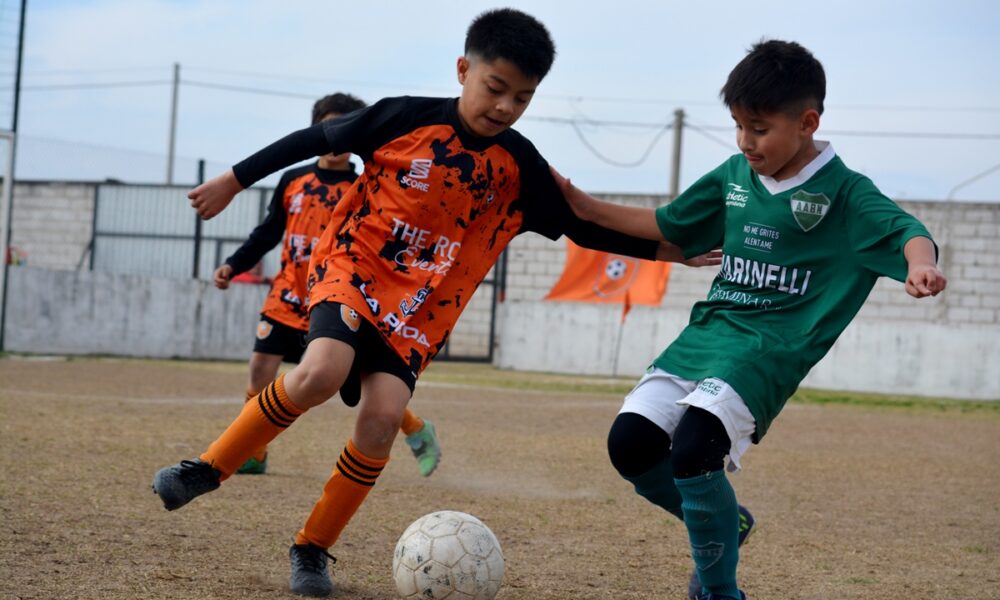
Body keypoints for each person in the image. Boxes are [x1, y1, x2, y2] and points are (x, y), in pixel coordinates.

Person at [152, 9, 713, 597]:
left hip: (418, 314)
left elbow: (586, 227)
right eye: (494, 89)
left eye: (521, 99)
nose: (503, 107)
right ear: (464, 69)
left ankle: (311, 549)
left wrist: (672, 252)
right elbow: (316, 139)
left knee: (382, 421)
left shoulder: (519, 167)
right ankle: (206, 468)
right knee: (321, 370)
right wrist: (234, 180)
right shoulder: (407, 117)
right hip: (353, 269)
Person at [553, 39, 947, 600]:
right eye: (738, 125)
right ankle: (727, 520)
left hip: (771, 349)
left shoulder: (846, 193)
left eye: (758, 128)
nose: (745, 140)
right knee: (631, 445)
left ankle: (719, 592)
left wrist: (922, 266)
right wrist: (585, 206)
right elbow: (666, 222)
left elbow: (907, 231)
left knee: (694, 449)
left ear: (807, 122)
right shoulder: (735, 174)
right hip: (709, 335)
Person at [212, 93, 442, 478]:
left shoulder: (364, 184)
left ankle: (417, 430)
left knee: (366, 380)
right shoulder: (293, 181)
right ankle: (255, 449)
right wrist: (234, 264)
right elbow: (268, 232)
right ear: (319, 130)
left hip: (341, 297)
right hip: (288, 295)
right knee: (260, 369)